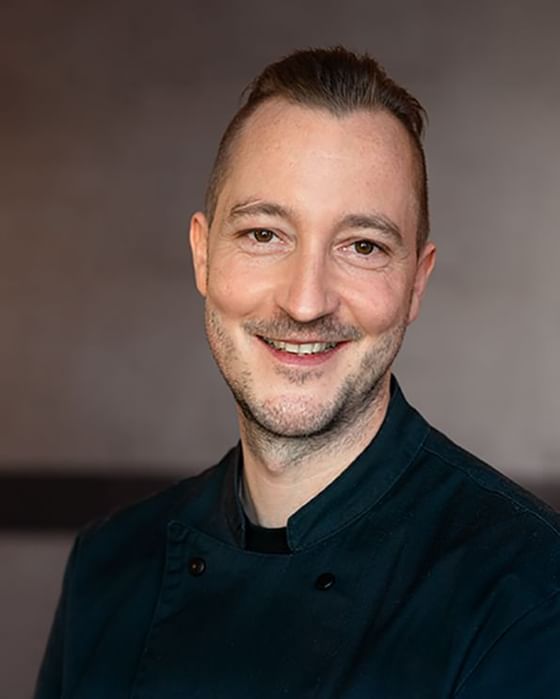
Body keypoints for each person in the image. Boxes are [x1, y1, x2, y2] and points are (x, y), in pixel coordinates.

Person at [35, 47, 560, 698]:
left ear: (416, 283)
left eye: (362, 246)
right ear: (203, 253)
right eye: (263, 234)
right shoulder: (108, 567)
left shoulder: (530, 589)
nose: (305, 301)